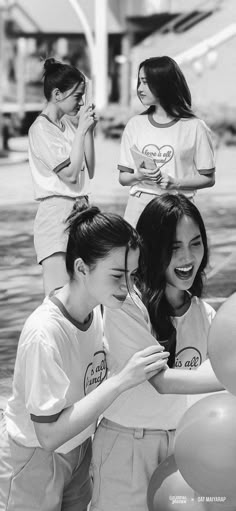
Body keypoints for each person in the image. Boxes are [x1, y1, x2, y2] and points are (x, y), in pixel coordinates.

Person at [0, 201, 168, 511]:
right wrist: (121, 381)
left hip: (79, 452)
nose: (128, 287)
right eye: (118, 275)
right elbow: (48, 435)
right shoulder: (44, 333)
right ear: (81, 268)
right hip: (35, 460)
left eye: (132, 275)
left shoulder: (99, 313)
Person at [90, 194, 224, 511]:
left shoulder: (204, 315)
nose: (188, 257)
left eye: (196, 243)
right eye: (174, 247)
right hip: (127, 448)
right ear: (151, 248)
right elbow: (161, 381)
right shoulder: (126, 305)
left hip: (185, 449)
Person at [118, 56, 216, 226]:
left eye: (146, 82)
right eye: (139, 82)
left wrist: (175, 182)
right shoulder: (135, 125)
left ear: (164, 83)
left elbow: (208, 178)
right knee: (137, 253)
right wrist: (139, 175)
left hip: (178, 208)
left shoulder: (195, 127)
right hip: (139, 207)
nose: (140, 88)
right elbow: (123, 177)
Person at [28, 57, 97, 295]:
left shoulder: (68, 125)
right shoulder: (41, 129)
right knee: (60, 295)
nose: (81, 102)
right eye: (77, 96)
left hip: (80, 210)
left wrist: (86, 130)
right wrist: (79, 133)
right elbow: (69, 174)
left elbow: (89, 167)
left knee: (83, 294)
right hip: (56, 214)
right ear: (57, 94)